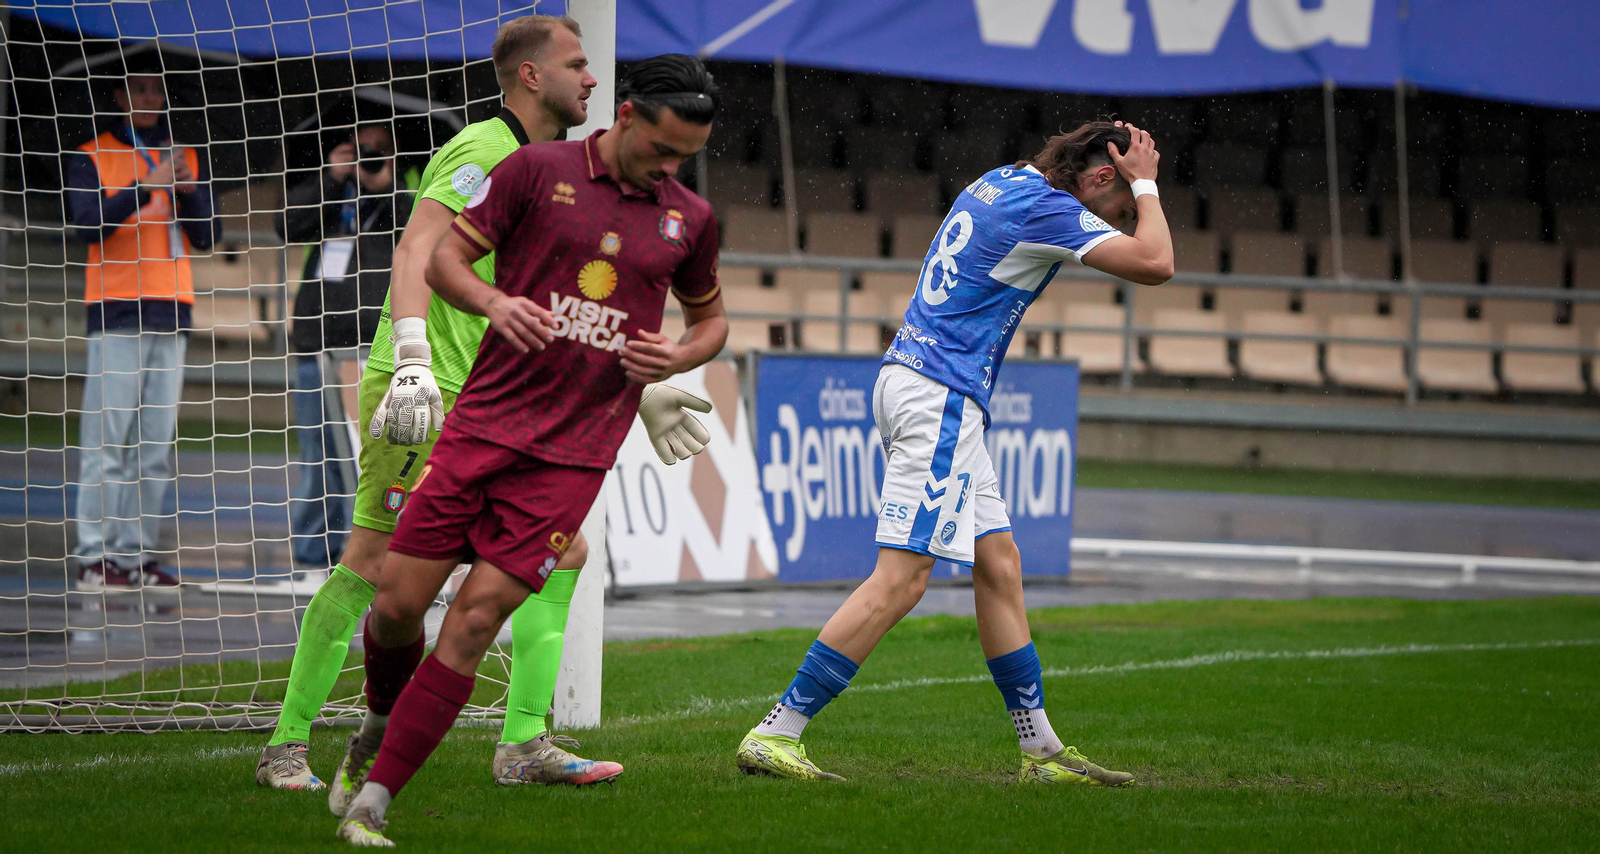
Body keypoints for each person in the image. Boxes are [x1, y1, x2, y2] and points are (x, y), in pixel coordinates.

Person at [256, 16, 713, 798]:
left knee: (564, 555)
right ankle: (288, 744)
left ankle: (523, 739)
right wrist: (409, 361)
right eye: (577, 65)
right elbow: (416, 250)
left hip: (501, 397)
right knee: (372, 568)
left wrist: (649, 383)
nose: (593, 78)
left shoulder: (556, 170)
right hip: (428, 390)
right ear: (533, 77)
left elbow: (568, 306)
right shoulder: (485, 150)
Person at [734, 120, 1174, 785]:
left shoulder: (1004, 181)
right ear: (1102, 175)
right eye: (1117, 203)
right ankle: (778, 731)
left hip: (913, 378)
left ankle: (1041, 751)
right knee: (903, 578)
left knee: (999, 564)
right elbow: (1156, 263)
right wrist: (1149, 188)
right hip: (939, 395)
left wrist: (1130, 188)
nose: (1120, 218)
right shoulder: (1050, 207)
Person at [65, 72, 221, 591]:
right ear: (119, 96)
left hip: (171, 309)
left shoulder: (185, 156)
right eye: (138, 89)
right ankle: (94, 556)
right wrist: (142, 188)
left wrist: (186, 190)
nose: (149, 98)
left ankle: (136, 556)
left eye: (156, 90)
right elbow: (87, 224)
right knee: (108, 444)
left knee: (154, 448)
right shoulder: (93, 154)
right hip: (114, 309)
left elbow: (207, 237)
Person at [277, 123, 409, 573]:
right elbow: (286, 224)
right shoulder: (331, 197)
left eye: (378, 149)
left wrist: (385, 183)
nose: (368, 156)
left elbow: (416, 235)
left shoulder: (405, 201)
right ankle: (315, 557)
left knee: (373, 458)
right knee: (319, 456)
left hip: (375, 350)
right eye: (362, 147)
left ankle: (367, 557)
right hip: (319, 346)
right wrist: (333, 175)